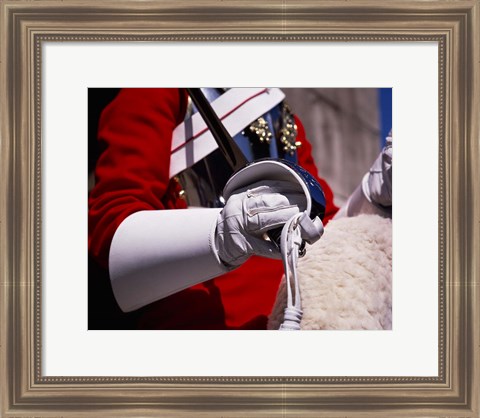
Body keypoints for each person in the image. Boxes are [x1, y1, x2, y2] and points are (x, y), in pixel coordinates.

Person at [88, 88, 391, 330]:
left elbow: (318, 227)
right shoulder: (154, 89)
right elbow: (110, 232)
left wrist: (372, 196)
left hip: (301, 318)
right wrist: (221, 236)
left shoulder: (274, 105)